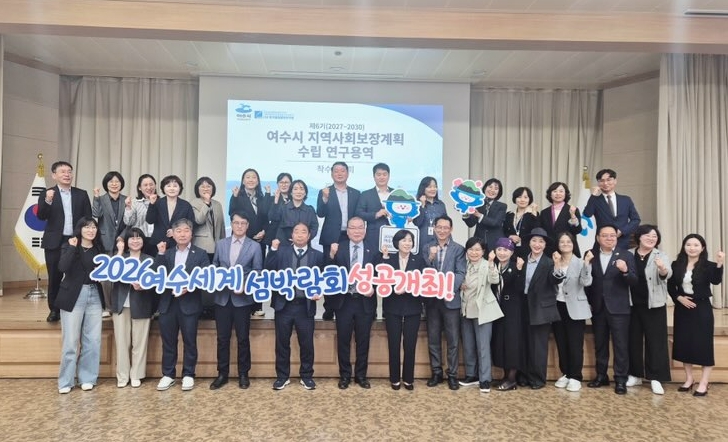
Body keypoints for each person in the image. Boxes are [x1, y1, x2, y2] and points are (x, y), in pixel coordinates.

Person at [153, 218, 210, 392]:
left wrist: (189, 287)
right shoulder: (167, 253)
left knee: (189, 341)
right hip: (168, 304)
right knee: (168, 341)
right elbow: (156, 275)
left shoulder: (201, 254)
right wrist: (160, 254)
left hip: (189, 303)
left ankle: (188, 374)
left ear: (191, 233)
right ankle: (168, 374)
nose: (182, 234)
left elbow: (206, 278)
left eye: (186, 230)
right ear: (173, 234)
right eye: (178, 231)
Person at [266, 223, 324, 390]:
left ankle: (306, 376)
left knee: (307, 344)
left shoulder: (317, 256)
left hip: (305, 306)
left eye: (303, 232)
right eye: (296, 232)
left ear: (309, 236)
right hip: (283, 305)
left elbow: (323, 278)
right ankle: (282, 376)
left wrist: (319, 291)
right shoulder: (281, 252)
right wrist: (273, 250)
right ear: (291, 235)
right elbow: (268, 268)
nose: (299, 235)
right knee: (282, 343)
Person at [209, 213, 263, 390]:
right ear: (231, 224)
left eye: (243, 223)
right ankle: (222, 374)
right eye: (236, 223)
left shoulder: (255, 246)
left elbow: (257, 272)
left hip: (243, 300)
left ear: (247, 226)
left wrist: (245, 286)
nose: (239, 226)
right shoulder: (221, 244)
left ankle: (243, 374)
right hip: (222, 298)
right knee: (222, 338)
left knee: (243, 338)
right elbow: (215, 266)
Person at [667, 234, 724, 397]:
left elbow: (716, 281)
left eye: (696, 245)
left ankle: (704, 382)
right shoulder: (676, 264)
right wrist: (679, 298)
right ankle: (689, 379)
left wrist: (720, 263)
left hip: (701, 308)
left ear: (702, 248)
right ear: (684, 247)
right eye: (688, 244)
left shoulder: (708, 265)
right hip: (682, 309)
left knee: (703, 344)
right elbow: (670, 286)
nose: (692, 248)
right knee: (684, 343)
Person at [37, 161, 92, 322]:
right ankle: (54, 310)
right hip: (54, 241)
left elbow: (88, 218)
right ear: (54, 175)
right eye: (62, 171)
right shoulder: (47, 193)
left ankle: (75, 308)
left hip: (75, 240)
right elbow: (41, 216)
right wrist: (48, 200)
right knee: (55, 276)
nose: (67, 174)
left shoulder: (81, 194)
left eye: (69, 171)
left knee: (76, 275)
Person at [586, 224, 637, 395]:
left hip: (619, 308)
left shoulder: (626, 255)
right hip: (598, 307)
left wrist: (625, 271)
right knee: (600, 344)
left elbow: (634, 280)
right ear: (598, 238)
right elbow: (587, 281)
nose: (609, 238)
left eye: (612, 235)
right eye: (605, 235)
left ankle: (621, 379)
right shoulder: (590, 255)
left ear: (617, 237)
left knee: (620, 345)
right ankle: (601, 375)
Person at [56, 217, 104, 393]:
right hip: (73, 296)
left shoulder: (99, 249)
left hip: (94, 294)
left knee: (93, 340)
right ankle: (65, 382)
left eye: (94, 227)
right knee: (70, 341)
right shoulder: (69, 245)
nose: (91, 230)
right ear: (80, 229)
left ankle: (88, 378)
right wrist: (72, 247)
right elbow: (62, 267)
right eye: (87, 227)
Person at [327, 217, 376, 389]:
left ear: (365, 230)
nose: (357, 231)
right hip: (344, 301)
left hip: (365, 301)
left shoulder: (373, 249)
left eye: (360, 227)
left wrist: (374, 288)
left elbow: (379, 274)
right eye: (353, 228)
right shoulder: (338, 248)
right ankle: (345, 376)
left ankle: (361, 376)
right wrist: (331, 256)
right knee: (343, 340)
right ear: (347, 231)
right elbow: (328, 272)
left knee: (363, 341)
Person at [625, 225, 672, 395]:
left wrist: (662, 269)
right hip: (632, 304)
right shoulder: (628, 254)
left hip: (654, 304)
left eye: (654, 236)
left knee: (656, 342)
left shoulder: (661, 255)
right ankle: (635, 374)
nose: (651, 239)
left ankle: (656, 377)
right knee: (633, 340)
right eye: (647, 235)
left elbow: (667, 274)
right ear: (639, 237)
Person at [516, 227, 565, 389]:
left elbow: (556, 279)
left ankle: (537, 379)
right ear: (529, 243)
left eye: (541, 242)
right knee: (523, 342)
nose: (537, 244)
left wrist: (557, 264)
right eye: (534, 241)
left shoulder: (549, 262)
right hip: (522, 306)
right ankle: (523, 376)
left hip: (541, 308)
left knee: (538, 346)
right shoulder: (521, 260)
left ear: (545, 245)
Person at [423, 215, 466, 390]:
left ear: (451, 229)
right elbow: (423, 272)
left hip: (450, 300)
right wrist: (431, 258)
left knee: (453, 340)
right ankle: (436, 373)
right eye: (439, 227)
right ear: (434, 228)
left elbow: (460, 273)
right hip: (432, 301)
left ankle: (453, 375)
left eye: (446, 228)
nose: (442, 230)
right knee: (433, 339)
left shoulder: (458, 249)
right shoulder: (427, 247)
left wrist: (446, 288)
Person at [381, 229, 425, 391]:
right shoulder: (388, 258)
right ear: (397, 243)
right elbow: (381, 279)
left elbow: (424, 282)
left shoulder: (419, 260)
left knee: (410, 344)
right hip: (392, 307)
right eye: (404, 240)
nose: (407, 243)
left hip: (413, 307)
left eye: (410, 240)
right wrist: (384, 259)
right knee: (393, 343)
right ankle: (394, 378)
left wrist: (409, 288)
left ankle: (408, 378)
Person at [110, 228, 154, 388]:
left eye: (138, 238)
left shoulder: (150, 260)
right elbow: (111, 273)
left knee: (139, 342)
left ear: (143, 240)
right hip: (121, 304)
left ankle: (136, 374)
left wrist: (144, 285)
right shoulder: (120, 257)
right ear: (126, 242)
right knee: (122, 342)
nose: (135, 241)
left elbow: (156, 283)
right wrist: (120, 251)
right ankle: (122, 376)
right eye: (132, 238)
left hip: (142, 303)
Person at [459, 236, 503, 393]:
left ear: (483, 251)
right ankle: (471, 375)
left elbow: (495, 280)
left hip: (482, 310)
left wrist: (491, 262)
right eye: (471, 249)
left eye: (477, 249)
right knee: (468, 345)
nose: (474, 252)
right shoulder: (464, 264)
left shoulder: (487, 264)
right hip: (466, 309)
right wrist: (460, 284)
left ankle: (485, 379)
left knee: (483, 346)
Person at [317, 162, 360, 320]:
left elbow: (359, 215)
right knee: (330, 273)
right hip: (331, 238)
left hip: (349, 236)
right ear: (331, 174)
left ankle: (347, 306)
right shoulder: (325, 192)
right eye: (336, 171)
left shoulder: (356, 193)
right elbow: (320, 213)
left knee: (349, 270)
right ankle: (329, 308)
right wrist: (325, 198)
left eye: (343, 171)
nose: (340, 173)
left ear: (348, 173)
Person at [551, 232, 593, 392]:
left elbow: (586, 282)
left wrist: (587, 264)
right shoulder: (555, 261)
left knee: (575, 343)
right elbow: (554, 281)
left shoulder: (581, 262)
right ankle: (566, 373)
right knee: (561, 342)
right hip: (558, 306)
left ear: (573, 244)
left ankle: (576, 376)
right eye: (562, 242)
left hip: (576, 307)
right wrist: (556, 264)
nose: (565, 244)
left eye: (568, 241)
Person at [229, 168, 271, 318]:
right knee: (241, 270)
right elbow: (232, 215)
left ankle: (257, 306)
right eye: (248, 177)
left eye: (254, 177)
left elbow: (267, 217)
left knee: (257, 272)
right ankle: (241, 304)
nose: (251, 180)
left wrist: (264, 231)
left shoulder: (262, 197)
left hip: (259, 240)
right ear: (243, 180)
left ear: (258, 181)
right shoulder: (237, 196)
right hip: (242, 239)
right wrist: (234, 197)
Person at [489, 238, 523, 391]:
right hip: (497, 308)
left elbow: (521, 287)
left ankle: (512, 378)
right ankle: (505, 376)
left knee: (512, 343)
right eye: (499, 249)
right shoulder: (493, 265)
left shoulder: (516, 265)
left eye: (506, 250)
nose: (502, 253)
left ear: (512, 252)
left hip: (513, 310)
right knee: (500, 342)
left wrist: (519, 271)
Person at [92, 171, 127, 318]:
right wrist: (96, 197)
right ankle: (108, 306)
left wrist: (122, 237)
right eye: (111, 182)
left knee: (121, 276)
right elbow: (96, 214)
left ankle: (120, 306)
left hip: (122, 243)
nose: (114, 184)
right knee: (106, 278)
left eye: (117, 181)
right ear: (106, 184)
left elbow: (129, 222)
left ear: (121, 184)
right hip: (104, 242)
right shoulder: (101, 199)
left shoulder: (126, 200)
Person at [582, 169, 640, 249]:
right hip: (602, 242)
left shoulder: (626, 200)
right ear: (598, 183)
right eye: (601, 181)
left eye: (608, 180)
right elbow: (587, 214)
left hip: (622, 242)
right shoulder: (595, 200)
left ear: (615, 181)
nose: (605, 183)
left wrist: (622, 231)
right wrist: (593, 195)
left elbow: (636, 220)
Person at [145, 174, 195, 249]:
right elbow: (150, 220)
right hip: (158, 243)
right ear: (163, 188)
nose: (172, 189)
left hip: (178, 243)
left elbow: (191, 224)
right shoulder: (157, 202)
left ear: (180, 188)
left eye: (175, 186)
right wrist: (152, 204)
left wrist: (176, 231)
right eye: (168, 186)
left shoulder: (186, 205)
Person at [355, 163, 394, 252]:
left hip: (393, 235)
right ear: (374, 176)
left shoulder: (396, 193)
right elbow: (359, 213)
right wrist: (376, 214)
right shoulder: (366, 194)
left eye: (384, 174)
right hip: (373, 236)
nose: (382, 177)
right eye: (378, 174)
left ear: (389, 176)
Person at [539, 181, 583, 257]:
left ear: (565, 194)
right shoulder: (544, 212)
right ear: (550, 194)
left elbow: (577, 230)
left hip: (567, 251)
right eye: (555, 191)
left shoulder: (573, 210)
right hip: (548, 252)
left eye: (561, 191)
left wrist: (572, 216)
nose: (558, 194)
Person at [462, 178, 507, 253]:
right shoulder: (478, 204)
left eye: (496, 188)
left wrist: (479, 215)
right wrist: (465, 212)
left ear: (499, 192)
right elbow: (471, 224)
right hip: (479, 243)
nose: (492, 190)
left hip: (496, 243)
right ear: (485, 188)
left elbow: (495, 222)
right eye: (490, 187)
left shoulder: (502, 206)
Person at [269, 179, 318, 243]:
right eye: (295, 189)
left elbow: (314, 228)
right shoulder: (283, 208)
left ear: (305, 193)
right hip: (284, 244)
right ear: (291, 192)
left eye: (301, 189)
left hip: (304, 244)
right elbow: (273, 218)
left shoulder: (310, 210)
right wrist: (276, 201)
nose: (298, 192)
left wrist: (304, 239)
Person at [190, 176, 225, 262]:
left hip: (217, 245)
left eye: (208, 186)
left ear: (213, 188)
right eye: (202, 187)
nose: (206, 189)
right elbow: (199, 220)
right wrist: (206, 203)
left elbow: (221, 226)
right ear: (197, 189)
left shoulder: (217, 204)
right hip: (201, 245)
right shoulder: (193, 203)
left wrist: (223, 243)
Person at [123, 173, 158, 256]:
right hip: (139, 241)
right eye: (145, 185)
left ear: (155, 186)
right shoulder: (134, 202)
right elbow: (128, 222)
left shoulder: (162, 202)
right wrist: (128, 207)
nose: (149, 187)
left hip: (157, 240)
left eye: (151, 184)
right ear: (139, 188)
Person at [413, 176, 447, 254]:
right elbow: (417, 223)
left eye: (435, 187)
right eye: (429, 187)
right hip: (423, 242)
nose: (433, 189)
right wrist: (422, 205)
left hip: (439, 241)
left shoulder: (441, 204)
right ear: (423, 188)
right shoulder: (417, 204)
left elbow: (446, 223)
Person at [503, 186, 540, 258]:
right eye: (519, 197)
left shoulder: (533, 214)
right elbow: (503, 231)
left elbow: (536, 230)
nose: (522, 200)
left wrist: (534, 214)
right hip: (511, 250)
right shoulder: (509, 214)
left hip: (528, 250)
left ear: (529, 199)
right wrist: (510, 236)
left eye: (525, 197)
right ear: (515, 199)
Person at [266, 172, 293, 253]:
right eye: (281, 182)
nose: (284, 185)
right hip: (275, 237)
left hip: (291, 238)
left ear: (291, 184)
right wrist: (276, 201)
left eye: (286, 182)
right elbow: (270, 217)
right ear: (277, 184)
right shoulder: (272, 199)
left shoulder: (295, 199)